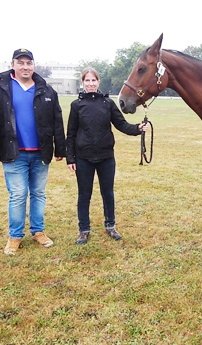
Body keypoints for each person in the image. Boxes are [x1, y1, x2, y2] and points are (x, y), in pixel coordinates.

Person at [0, 48, 66, 255]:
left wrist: (60, 148)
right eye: (21, 63)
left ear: (33, 66)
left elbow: (57, 121)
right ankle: (15, 236)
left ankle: (38, 231)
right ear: (13, 65)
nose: (25, 67)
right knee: (18, 195)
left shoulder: (46, 90)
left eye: (29, 63)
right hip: (13, 153)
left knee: (38, 194)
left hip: (41, 153)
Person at [66, 67, 149, 245]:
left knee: (108, 193)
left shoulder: (107, 103)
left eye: (93, 80)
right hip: (83, 158)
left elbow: (121, 124)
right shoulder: (76, 105)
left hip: (106, 157)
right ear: (83, 83)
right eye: (87, 81)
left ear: (98, 82)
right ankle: (84, 229)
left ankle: (110, 225)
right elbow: (71, 134)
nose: (90, 84)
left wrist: (137, 129)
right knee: (84, 195)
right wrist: (70, 158)